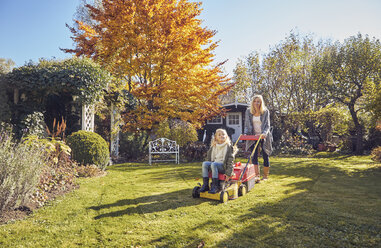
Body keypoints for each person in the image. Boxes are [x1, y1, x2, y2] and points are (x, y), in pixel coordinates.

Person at [244, 95, 273, 181]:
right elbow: (247, 125)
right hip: (253, 136)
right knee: (254, 156)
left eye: (258, 101)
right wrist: (246, 134)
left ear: (261, 102)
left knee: (265, 154)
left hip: (264, 136)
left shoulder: (265, 111)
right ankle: (256, 175)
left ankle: (265, 175)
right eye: (255, 101)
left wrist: (264, 133)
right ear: (252, 102)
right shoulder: (248, 111)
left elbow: (267, 126)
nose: (256, 103)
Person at [199, 128, 236, 194]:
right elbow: (209, 158)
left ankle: (215, 186)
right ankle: (205, 185)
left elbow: (230, 161)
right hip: (215, 164)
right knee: (205, 163)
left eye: (223, 134)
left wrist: (228, 174)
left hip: (223, 167)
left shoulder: (228, 147)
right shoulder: (214, 146)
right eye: (219, 135)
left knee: (214, 164)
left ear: (226, 136)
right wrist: (208, 168)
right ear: (216, 138)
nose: (221, 136)